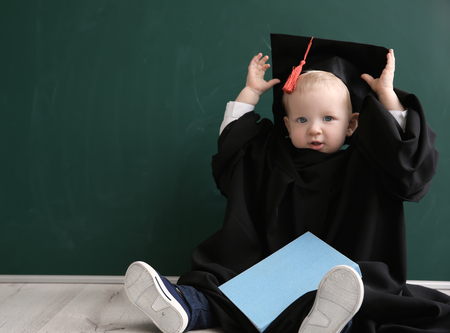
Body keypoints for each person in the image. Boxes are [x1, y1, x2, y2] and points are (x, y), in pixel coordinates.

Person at [125, 34, 449, 333]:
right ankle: (185, 306)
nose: (315, 130)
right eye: (302, 119)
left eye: (328, 118)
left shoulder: (370, 161)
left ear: (352, 125)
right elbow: (233, 149)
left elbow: (408, 164)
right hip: (272, 273)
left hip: (348, 273)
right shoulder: (270, 155)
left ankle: (333, 319)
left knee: (357, 294)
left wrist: (387, 96)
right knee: (225, 280)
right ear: (287, 123)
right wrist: (250, 93)